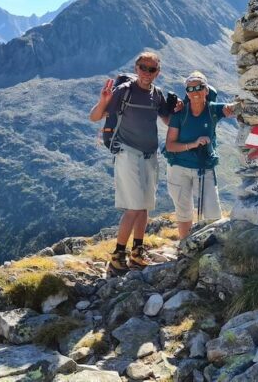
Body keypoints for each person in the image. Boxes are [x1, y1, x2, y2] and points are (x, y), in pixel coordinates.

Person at [88, 52, 174, 271]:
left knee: (144, 207)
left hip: (150, 155)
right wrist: (103, 102)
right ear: (136, 68)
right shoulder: (123, 92)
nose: (147, 73)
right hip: (127, 153)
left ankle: (137, 251)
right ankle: (117, 255)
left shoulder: (157, 94)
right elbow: (95, 117)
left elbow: (167, 119)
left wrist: (178, 110)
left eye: (152, 69)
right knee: (134, 208)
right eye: (143, 68)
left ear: (158, 72)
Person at [164, 71, 237, 239]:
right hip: (179, 167)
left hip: (204, 166)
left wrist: (234, 106)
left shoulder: (213, 110)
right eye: (190, 89)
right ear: (187, 92)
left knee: (212, 212)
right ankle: (185, 248)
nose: (195, 92)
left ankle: (210, 247)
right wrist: (193, 144)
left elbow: (234, 109)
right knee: (184, 212)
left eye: (199, 88)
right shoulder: (180, 113)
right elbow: (170, 145)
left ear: (206, 90)